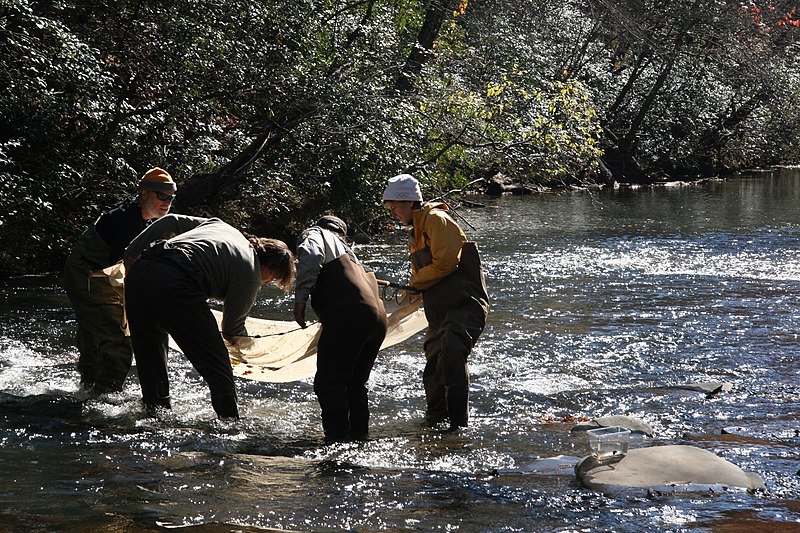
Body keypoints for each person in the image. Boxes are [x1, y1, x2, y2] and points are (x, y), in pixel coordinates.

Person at [123, 214, 295, 419]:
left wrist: (132, 251)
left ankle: (155, 416)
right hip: (178, 283)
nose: (267, 283)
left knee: (151, 355)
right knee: (217, 363)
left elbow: (170, 221)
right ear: (268, 265)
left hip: (141, 272)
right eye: (273, 278)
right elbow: (233, 329)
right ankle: (230, 422)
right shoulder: (250, 272)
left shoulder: (222, 226)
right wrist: (255, 354)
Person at [382, 174, 489, 430]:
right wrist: (412, 291)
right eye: (390, 208)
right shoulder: (416, 229)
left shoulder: (437, 220)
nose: (393, 213)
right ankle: (435, 422)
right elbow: (426, 274)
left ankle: (458, 428)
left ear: (409, 202)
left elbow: (446, 262)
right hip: (439, 310)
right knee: (433, 367)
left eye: (395, 207)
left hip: (465, 304)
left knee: (452, 354)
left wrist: (416, 284)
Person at [63, 167, 177, 394]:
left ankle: (87, 391)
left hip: (106, 274)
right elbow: (132, 267)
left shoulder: (145, 218)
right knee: (119, 343)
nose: (167, 202)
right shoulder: (125, 221)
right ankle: (105, 398)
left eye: (171, 198)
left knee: (94, 336)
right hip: (87, 275)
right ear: (144, 194)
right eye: (162, 196)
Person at [293, 215, 388, 443]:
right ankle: (359, 439)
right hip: (379, 321)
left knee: (329, 383)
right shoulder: (353, 255)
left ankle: (336, 444)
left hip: (351, 316)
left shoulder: (316, 234)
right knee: (355, 384)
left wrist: (300, 300)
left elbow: (311, 254)